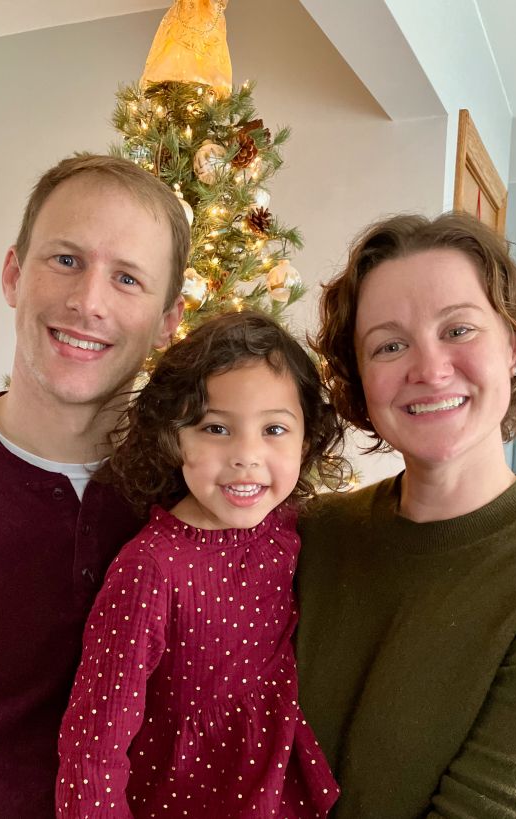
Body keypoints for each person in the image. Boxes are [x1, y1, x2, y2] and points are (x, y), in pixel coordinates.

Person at [0, 154, 189, 818]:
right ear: (14, 274)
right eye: (66, 259)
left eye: (128, 278)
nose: (89, 301)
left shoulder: (198, 491)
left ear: (169, 319)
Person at [295, 212, 516, 819]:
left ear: (512, 347)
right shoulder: (309, 534)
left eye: (458, 330)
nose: (429, 369)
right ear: (360, 378)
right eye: (389, 345)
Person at [56, 310, 347, 818]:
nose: (247, 456)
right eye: (216, 428)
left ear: (305, 441)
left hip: (279, 793)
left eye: (274, 428)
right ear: (175, 438)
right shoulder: (151, 569)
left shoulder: (287, 530)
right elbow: (94, 745)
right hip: (184, 799)